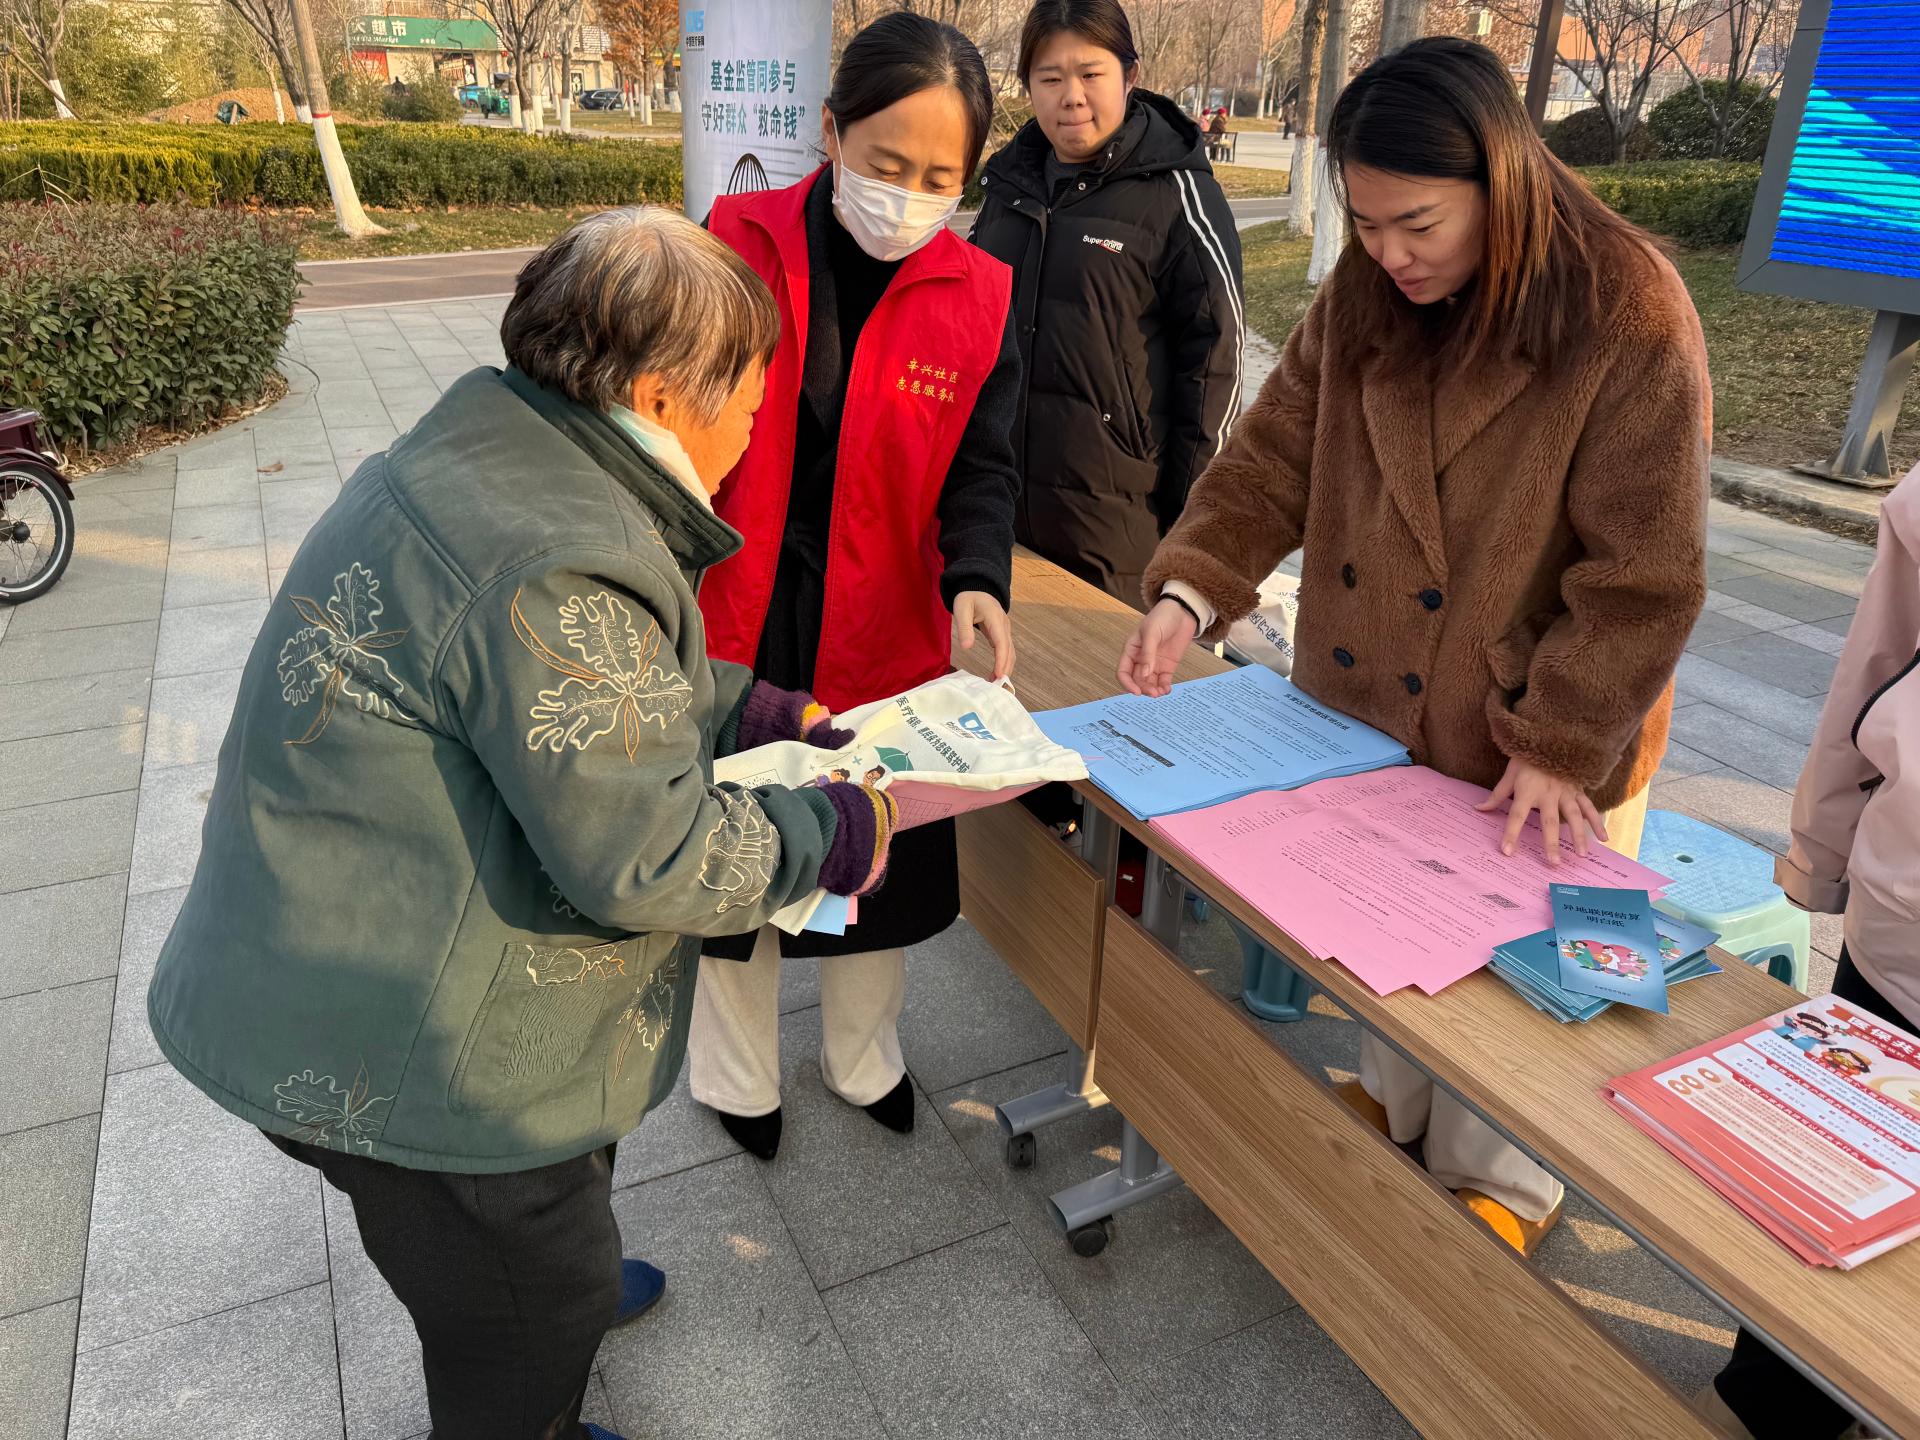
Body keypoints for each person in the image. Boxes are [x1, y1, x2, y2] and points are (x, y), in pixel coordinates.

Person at [145, 208, 900, 1440]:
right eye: (752, 404)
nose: (755, 433)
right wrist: (831, 833)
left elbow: (572, 689)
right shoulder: (561, 551)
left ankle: (555, 1279)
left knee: (542, 1245)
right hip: (412, 1042)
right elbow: (647, 856)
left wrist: (746, 708)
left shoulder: (498, 450)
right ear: (662, 396)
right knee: (522, 1312)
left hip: (340, 949)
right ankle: (541, 1328)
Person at [1118, 37, 1711, 1256]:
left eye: (1419, 224)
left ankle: (1507, 1180)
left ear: (1502, 180)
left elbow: (1644, 573)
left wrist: (1560, 737)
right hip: (1376, 692)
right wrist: (1192, 588)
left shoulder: (1625, 306)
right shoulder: (1368, 290)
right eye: (1367, 222)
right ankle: (1396, 1106)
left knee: (1516, 969)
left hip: (1537, 714)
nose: (1390, 252)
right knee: (1390, 923)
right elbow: (1273, 454)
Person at [689, 12, 1021, 1161]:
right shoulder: (735, 240)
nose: (907, 195)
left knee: (873, 846)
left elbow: (984, 468)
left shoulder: (980, 293)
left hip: (884, 620)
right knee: (735, 849)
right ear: (831, 133)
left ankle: (861, 1056)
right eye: (886, 162)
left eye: (939, 177)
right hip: (740, 606)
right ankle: (734, 1077)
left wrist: (978, 579)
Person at [1698, 463, 1920, 1440]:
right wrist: (1821, 856)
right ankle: (1774, 1403)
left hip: (1899, 913)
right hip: (1901, 931)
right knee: (1832, 1180)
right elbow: (1876, 662)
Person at [969, 0, 1243, 605]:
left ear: (1129, 75)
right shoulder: (1006, 190)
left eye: (1091, 74)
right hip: (997, 523)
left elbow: (1215, 371)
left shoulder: (1179, 198)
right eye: (1050, 78)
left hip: (1121, 538)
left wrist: (1192, 545)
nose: (1071, 97)